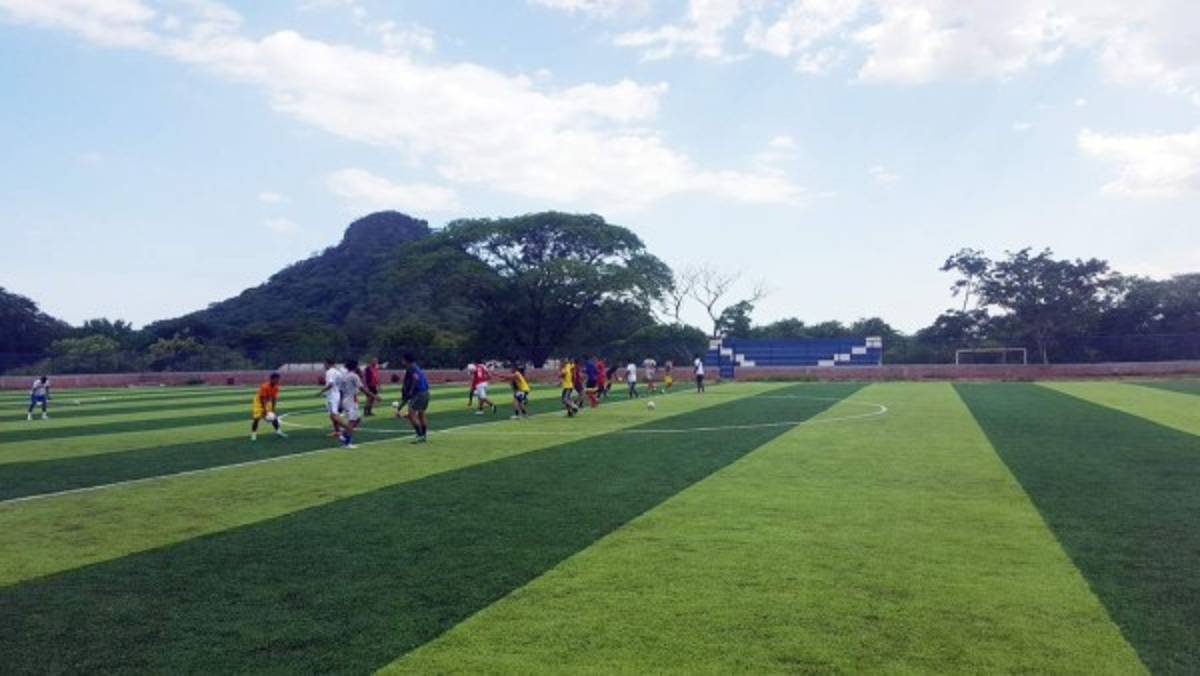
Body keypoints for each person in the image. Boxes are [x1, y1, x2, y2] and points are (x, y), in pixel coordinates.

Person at [336, 358, 374, 448]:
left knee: (358, 419)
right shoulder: (354, 376)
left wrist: (341, 403)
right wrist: (373, 396)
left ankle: (344, 434)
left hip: (347, 400)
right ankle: (347, 443)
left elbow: (341, 391)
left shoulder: (344, 376)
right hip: (350, 401)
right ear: (355, 366)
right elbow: (361, 388)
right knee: (352, 421)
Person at [395, 353, 431, 443]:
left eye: (403, 360)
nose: (402, 362)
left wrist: (410, 391)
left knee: (411, 414)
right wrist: (399, 408)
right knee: (421, 414)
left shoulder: (411, 368)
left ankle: (419, 435)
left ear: (406, 360)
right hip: (425, 392)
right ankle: (423, 436)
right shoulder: (416, 367)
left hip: (419, 393)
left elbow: (415, 379)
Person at [250, 372, 286, 441]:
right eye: (276, 379)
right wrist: (265, 411)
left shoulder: (276, 388)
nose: (278, 381)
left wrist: (273, 410)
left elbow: (274, 399)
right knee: (257, 418)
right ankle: (253, 435)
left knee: (274, 417)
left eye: (278, 379)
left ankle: (278, 431)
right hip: (258, 402)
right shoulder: (264, 386)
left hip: (266, 402)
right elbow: (262, 398)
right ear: (271, 379)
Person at [317, 358, 345, 438]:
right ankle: (337, 431)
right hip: (336, 394)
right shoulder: (337, 372)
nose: (324, 365)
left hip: (332, 396)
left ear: (328, 363)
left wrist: (321, 391)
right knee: (332, 415)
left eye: (324, 364)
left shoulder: (329, 372)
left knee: (334, 415)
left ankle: (347, 428)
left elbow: (330, 384)